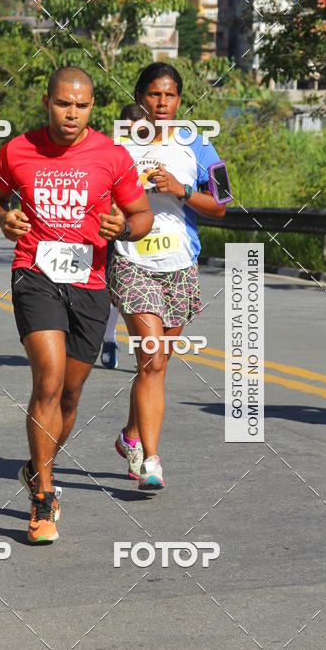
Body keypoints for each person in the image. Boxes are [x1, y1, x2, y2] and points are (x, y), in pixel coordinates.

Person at [0, 66, 153, 544]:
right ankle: (43, 500)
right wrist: (4, 217)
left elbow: (141, 215)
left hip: (90, 283)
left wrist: (126, 229)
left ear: (91, 107)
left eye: (80, 105)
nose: (70, 113)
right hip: (34, 274)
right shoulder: (17, 149)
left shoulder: (112, 156)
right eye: (62, 103)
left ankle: (39, 469)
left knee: (71, 395)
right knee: (49, 379)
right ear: (46, 101)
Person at [109, 62, 226, 489]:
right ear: (140, 96)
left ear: (180, 99)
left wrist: (181, 190)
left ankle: (131, 434)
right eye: (154, 95)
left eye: (170, 95)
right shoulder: (117, 146)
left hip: (180, 263)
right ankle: (151, 461)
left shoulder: (198, 145)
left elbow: (222, 204)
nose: (162, 103)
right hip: (130, 260)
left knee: (155, 365)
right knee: (152, 360)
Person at [100, 103, 147, 370]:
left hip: (146, 229)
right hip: (112, 228)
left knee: (139, 294)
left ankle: (147, 353)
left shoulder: (159, 152)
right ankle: (107, 337)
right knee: (113, 290)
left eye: (139, 129)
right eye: (129, 128)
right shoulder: (110, 151)